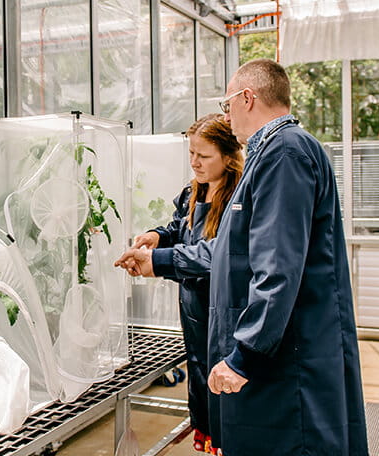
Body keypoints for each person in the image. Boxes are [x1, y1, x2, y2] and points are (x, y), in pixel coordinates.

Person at [115, 59, 368, 455]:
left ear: (248, 98)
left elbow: (276, 267)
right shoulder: (271, 155)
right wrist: (159, 258)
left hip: (289, 358)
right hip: (277, 351)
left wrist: (244, 354)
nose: (226, 114)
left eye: (227, 103)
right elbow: (235, 249)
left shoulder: (285, 153)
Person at [132, 113, 242, 454]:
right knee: (199, 372)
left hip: (225, 311)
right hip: (194, 309)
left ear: (228, 156)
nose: (194, 162)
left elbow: (215, 255)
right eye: (191, 153)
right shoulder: (194, 191)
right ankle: (210, 437)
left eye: (204, 156)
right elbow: (178, 227)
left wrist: (159, 263)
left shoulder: (239, 200)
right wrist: (155, 236)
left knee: (225, 382)